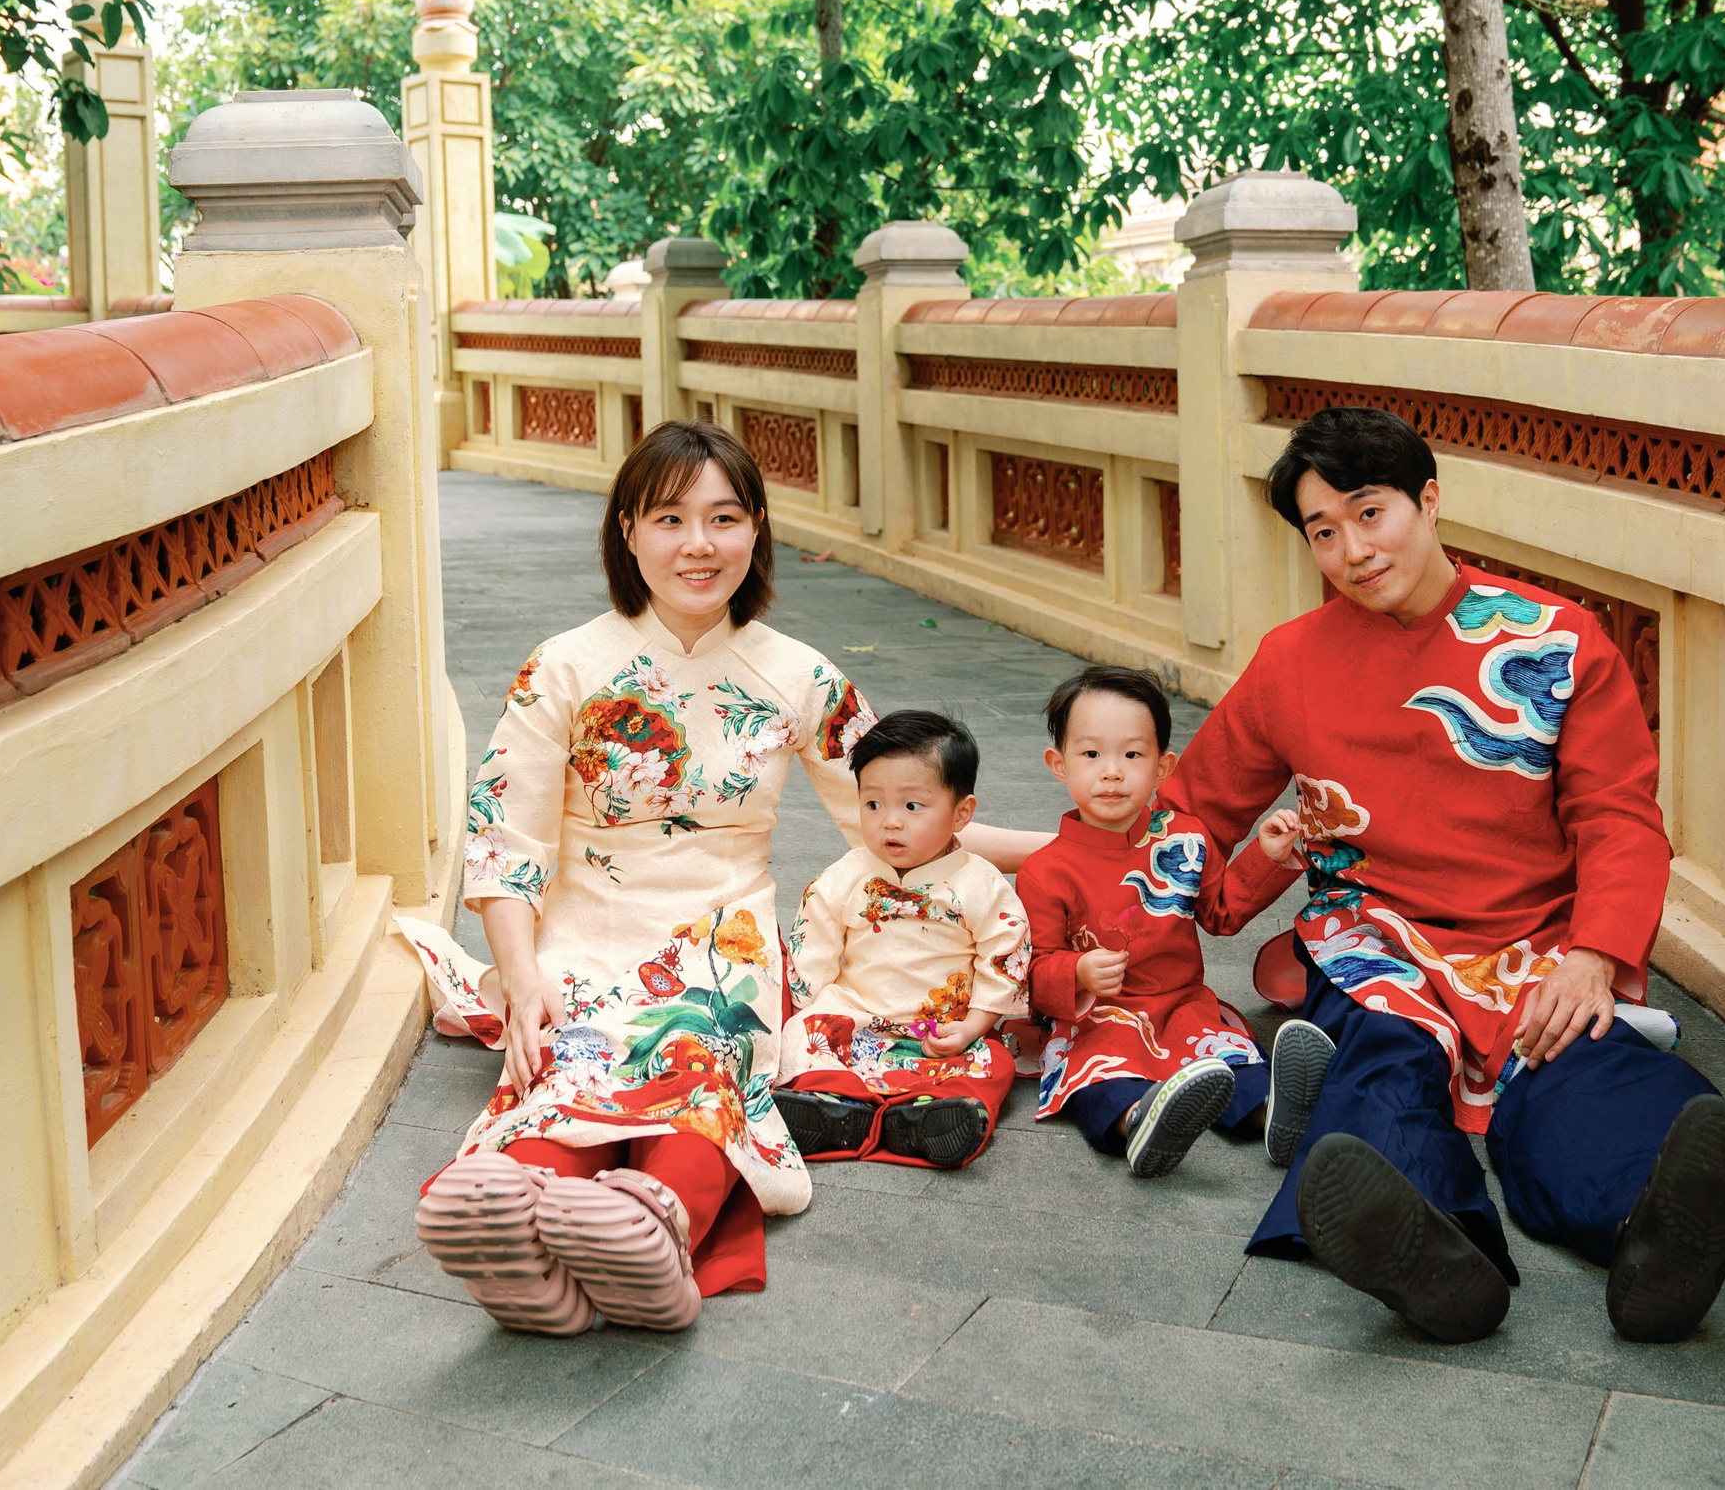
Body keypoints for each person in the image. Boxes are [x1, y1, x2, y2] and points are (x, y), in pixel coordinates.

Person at [1158, 405, 1725, 1345]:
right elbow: (1196, 807)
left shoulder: (1558, 641)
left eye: (1370, 513)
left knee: (1577, 1053)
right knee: (1380, 1055)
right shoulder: (1289, 663)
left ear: (1429, 498)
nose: (1352, 550)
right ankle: (1436, 1251)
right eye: (1323, 532)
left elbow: (1616, 816)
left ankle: (1653, 1227)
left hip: (1533, 936)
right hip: (1375, 935)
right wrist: (1123, 918)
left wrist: (1595, 952)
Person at [402, 421, 1039, 1336]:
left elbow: (914, 800)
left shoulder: (798, 676)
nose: (698, 544)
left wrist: (1077, 844)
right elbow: (505, 839)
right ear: (628, 530)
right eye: (670, 518)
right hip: (581, 919)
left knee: (704, 1056)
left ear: (757, 529)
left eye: (723, 518)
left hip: (722, 924)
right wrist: (521, 968)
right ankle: (517, 1225)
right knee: (565, 1062)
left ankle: (654, 1231)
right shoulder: (565, 664)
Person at [1016, 664, 1334, 1178]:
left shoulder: (1185, 840)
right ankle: (1141, 1122)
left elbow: (1222, 914)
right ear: (1059, 763)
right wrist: (1075, 972)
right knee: (1102, 1077)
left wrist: (1267, 855)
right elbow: (1034, 966)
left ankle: (1274, 1112)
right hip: (1100, 1016)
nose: (1112, 771)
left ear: (1163, 768)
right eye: (1091, 754)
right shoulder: (1044, 871)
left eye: (1132, 754)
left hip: (1183, 1003)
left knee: (1226, 1056)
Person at [770, 711, 1031, 1169]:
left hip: (942, 1029)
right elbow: (815, 940)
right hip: (857, 1015)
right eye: (872, 805)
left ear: (961, 813)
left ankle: (928, 1119)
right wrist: (812, 1004)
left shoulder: (980, 885)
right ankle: (834, 1105)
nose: (889, 822)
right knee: (806, 1035)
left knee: (992, 1062)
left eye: (912, 807)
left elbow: (1004, 956)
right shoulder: (848, 875)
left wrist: (972, 1026)